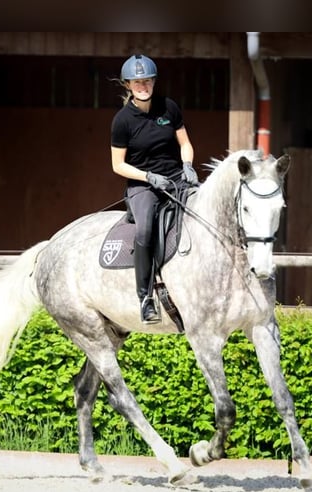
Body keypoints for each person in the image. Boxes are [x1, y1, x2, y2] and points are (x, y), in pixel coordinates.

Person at [110, 54, 199, 324]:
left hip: (176, 178)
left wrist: (187, 165)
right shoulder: (122, 121)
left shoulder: (168, 107)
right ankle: (145, 298)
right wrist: (148, 177)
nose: (143, 86)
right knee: (146, 228)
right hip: (142, 185)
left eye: (147, 81)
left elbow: (184, 143)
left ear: (153, 82)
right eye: (137, 82)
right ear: (128, 85)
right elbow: (118, 165)